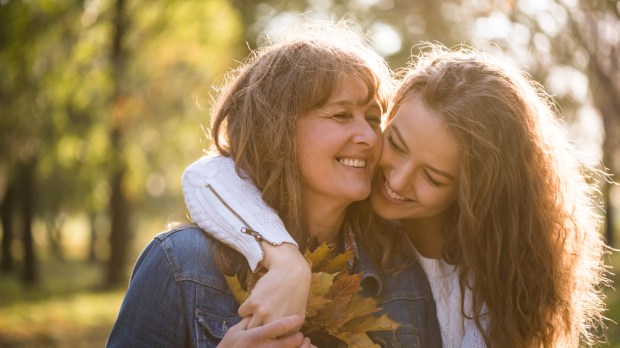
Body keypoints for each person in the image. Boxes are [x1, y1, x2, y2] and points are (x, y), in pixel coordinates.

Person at [184, 44, 609, 347]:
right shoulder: (353, 206)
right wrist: (286, 261)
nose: (397, 180)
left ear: (475, 196)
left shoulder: (493, 283)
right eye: (397, 144)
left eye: (433, 177)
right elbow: (209, 175)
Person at [107, 22, 442, 348]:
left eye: (372, 118)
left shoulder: (400, 275)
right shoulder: (180, 263)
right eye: (341, 115)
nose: (369, 137)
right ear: (276, 131)